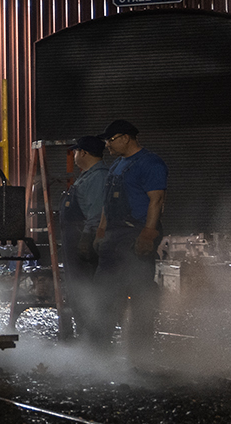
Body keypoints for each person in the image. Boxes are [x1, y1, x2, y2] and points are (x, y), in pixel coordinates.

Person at [88, 118, 167, 356]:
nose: (108, 146)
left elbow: (157, 200)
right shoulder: (116, 166)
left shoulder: (150, 163)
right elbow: (106, 203)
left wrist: (148, 235)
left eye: (110, 141)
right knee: (104, 293)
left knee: (141, 293)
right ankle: (98, 351)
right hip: (114, 235)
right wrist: (101, 231)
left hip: (136, 233)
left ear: (125, 138)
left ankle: (139, 354)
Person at [57, 134, 109, 339]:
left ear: (84, 152)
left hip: (83, 243)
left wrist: (87, 239)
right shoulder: (87, 176)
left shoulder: (98, 177)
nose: (75, 155)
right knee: (79, 292)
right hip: (76, 242)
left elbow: (97, 212)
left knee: (87, 291)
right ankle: (87, 338)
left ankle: (93, 340)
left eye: (76, 151)